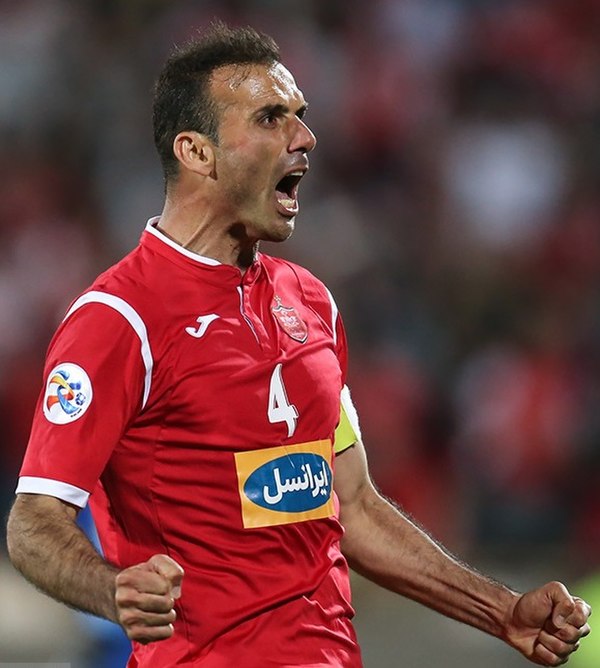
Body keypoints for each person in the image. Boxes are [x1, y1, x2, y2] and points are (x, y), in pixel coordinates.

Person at [6, 22, 591, 668]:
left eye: (301, 116)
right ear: (197, 153)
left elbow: (354, 505)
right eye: (270, 117)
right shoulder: (119, 320)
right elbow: (34, 523)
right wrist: (112, 590)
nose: (305, 138)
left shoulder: (309, 302)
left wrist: (500, 610)